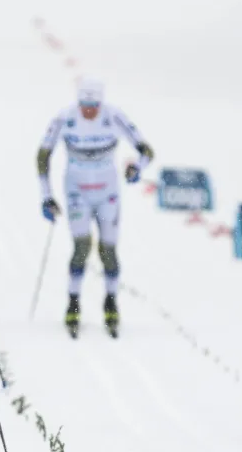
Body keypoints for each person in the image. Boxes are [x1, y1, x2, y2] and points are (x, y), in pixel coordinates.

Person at [35, 77, 153, 338]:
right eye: (85, 106)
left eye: (94, 107)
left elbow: (146, 150)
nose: (89, 112)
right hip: (77, 193)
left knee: (108, 250)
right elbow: (43, 155)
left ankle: (111, 302)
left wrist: (137, 168)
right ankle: (73, 304)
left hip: (108, 194)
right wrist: (47, 196)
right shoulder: (65, 118)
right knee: (82, 247)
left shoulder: (114, 116)